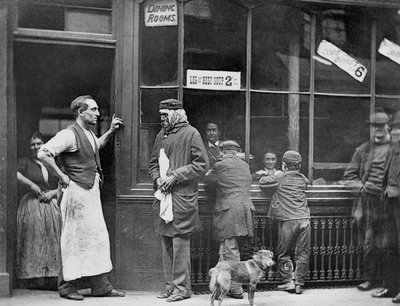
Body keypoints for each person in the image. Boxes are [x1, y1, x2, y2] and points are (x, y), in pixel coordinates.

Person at [37, 95, 125, 301]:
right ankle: (67, 287)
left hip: (90, 193)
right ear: (80, 112)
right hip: (75, 193)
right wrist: (61, 176)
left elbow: (96, 146)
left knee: (97, 238)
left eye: (96, 110)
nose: (97, 114)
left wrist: (111, 131)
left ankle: (100, 286)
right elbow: (43, 153)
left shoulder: (86, 134)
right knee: (73, 240)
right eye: (93, 110)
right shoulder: (68, 134)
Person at [149, 98, 209, 302]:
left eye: (165, 115)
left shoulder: (192, 133)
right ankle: (170, 287)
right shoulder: (161, 134)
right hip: (164, 196)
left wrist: (175, 175)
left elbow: (202, 165)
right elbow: (152, 164)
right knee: (166, 241)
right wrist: (158, 179)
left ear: (176, 114)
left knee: (180, 244)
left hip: (182, 198)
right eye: (161, 115)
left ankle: (182, 289)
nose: (162, 119)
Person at [343, 111, 391, 292]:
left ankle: (389, 284)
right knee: (370, 243)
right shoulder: (363, 150)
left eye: (381, 126)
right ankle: (370, 279)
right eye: (374, 126)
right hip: (370, 202)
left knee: (391, 244)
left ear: (388, 126)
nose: (378, 130)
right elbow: (349, 177)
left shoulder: (396, 148)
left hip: (392, 201)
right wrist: (362, 188)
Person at [205, 140, 255, 299]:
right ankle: (222, 285)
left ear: (223, 152)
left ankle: (236, 289)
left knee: (230, 250)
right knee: (227, 249)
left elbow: (208, 183)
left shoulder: (220, 165)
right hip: (245, 211)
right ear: (237, 151)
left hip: (229, 212)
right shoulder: (245, 165)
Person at [259, 150, 310, 295]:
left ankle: (288, 281)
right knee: (302, 254)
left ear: (283, 165)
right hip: (305, 219)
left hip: (288, 220)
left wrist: (274, 175)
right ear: (299, 165)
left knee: (284, 254)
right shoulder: (303, 179)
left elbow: (263, 183)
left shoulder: (280, 177)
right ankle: (299, 283)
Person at [16, 131, 61, 289]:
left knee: (53, 239)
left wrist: (53, 193)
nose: (35, 147)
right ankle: (34, 278)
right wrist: (31, 185)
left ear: (45, 145)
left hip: (52, 205)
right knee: (34, 239)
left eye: (38, 144)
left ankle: (52, 278)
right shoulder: (25, 162)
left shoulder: (53, 162)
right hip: (32, 205)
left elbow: (66, 181)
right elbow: (13, 172)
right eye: (32, 144)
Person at [371, 110, 400, 302]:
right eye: (395, 127)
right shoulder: (393, 149)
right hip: (390, 205)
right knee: (390, 247)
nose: (395, 131)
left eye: (399, 127)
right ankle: (391, 287)